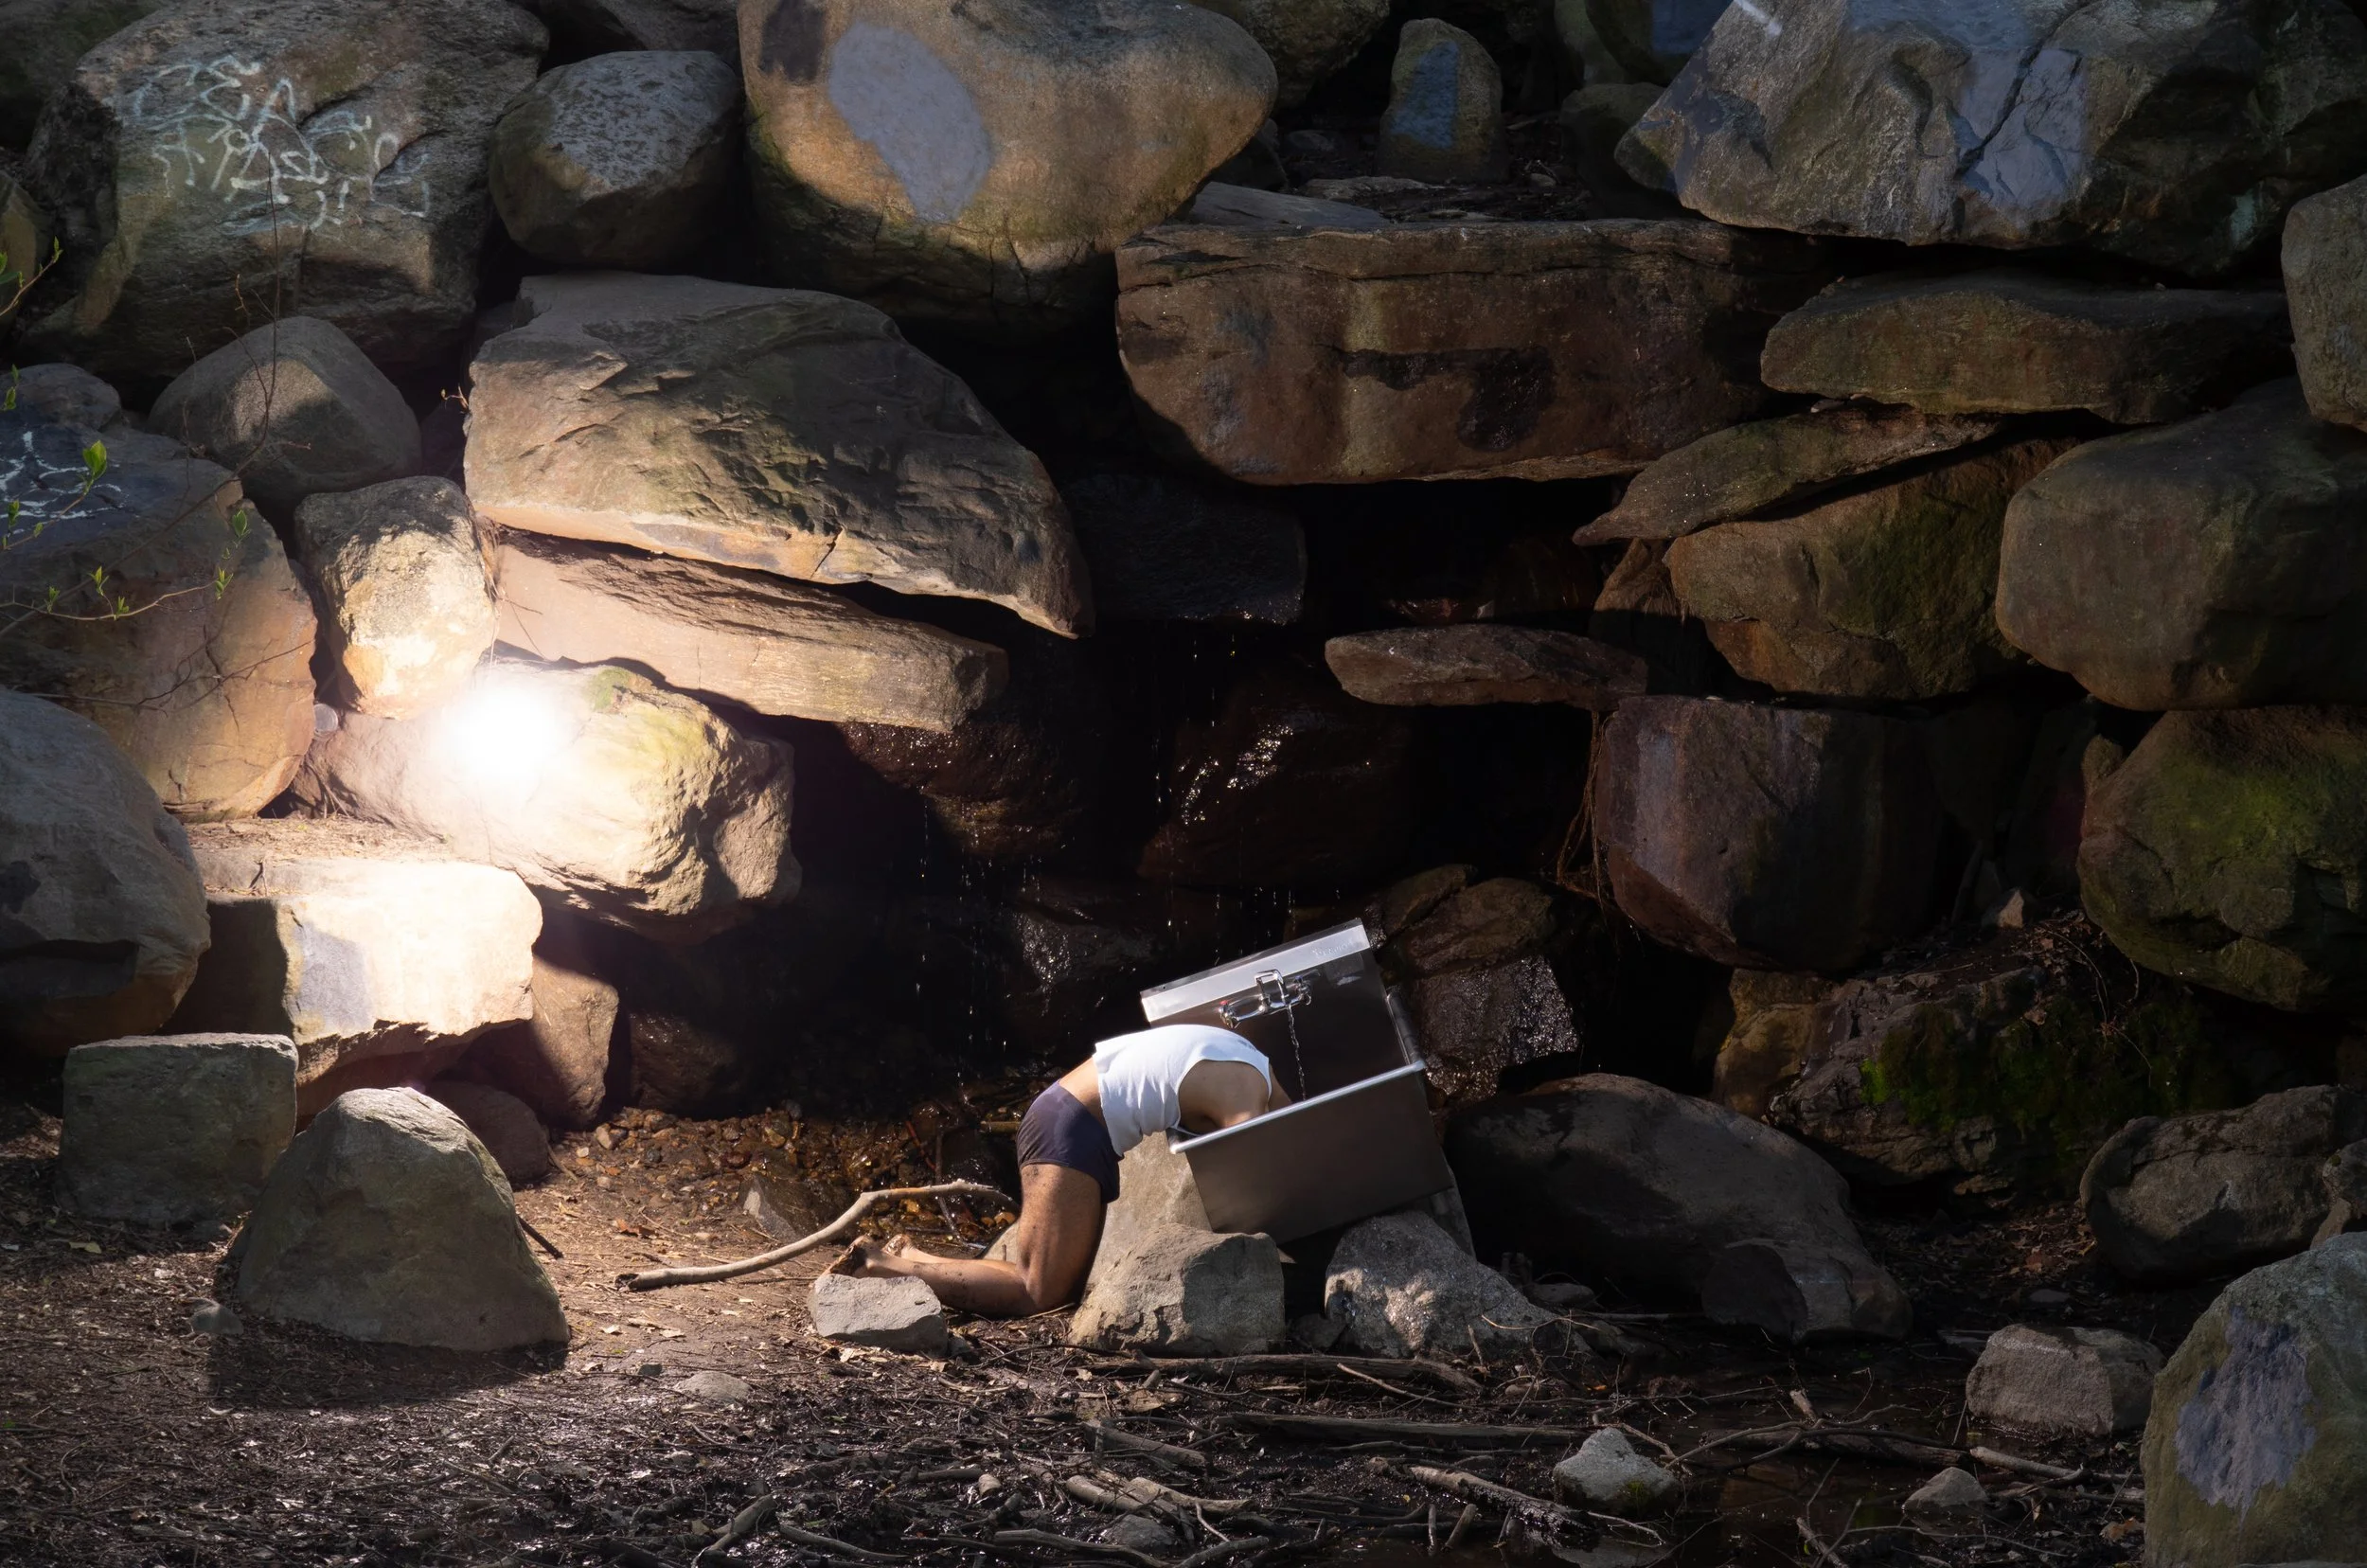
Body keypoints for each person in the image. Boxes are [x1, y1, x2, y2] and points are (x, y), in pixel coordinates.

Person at [836, 1022, 1288, 1315]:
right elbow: (1249, 1186)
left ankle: (910, 1257)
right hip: (1072, 1127)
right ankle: (878, 1267)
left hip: (1068, 1116)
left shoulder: (1250, 1064)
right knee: (1040, 1295)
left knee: (1039, 1278)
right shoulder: (1246, 1104)